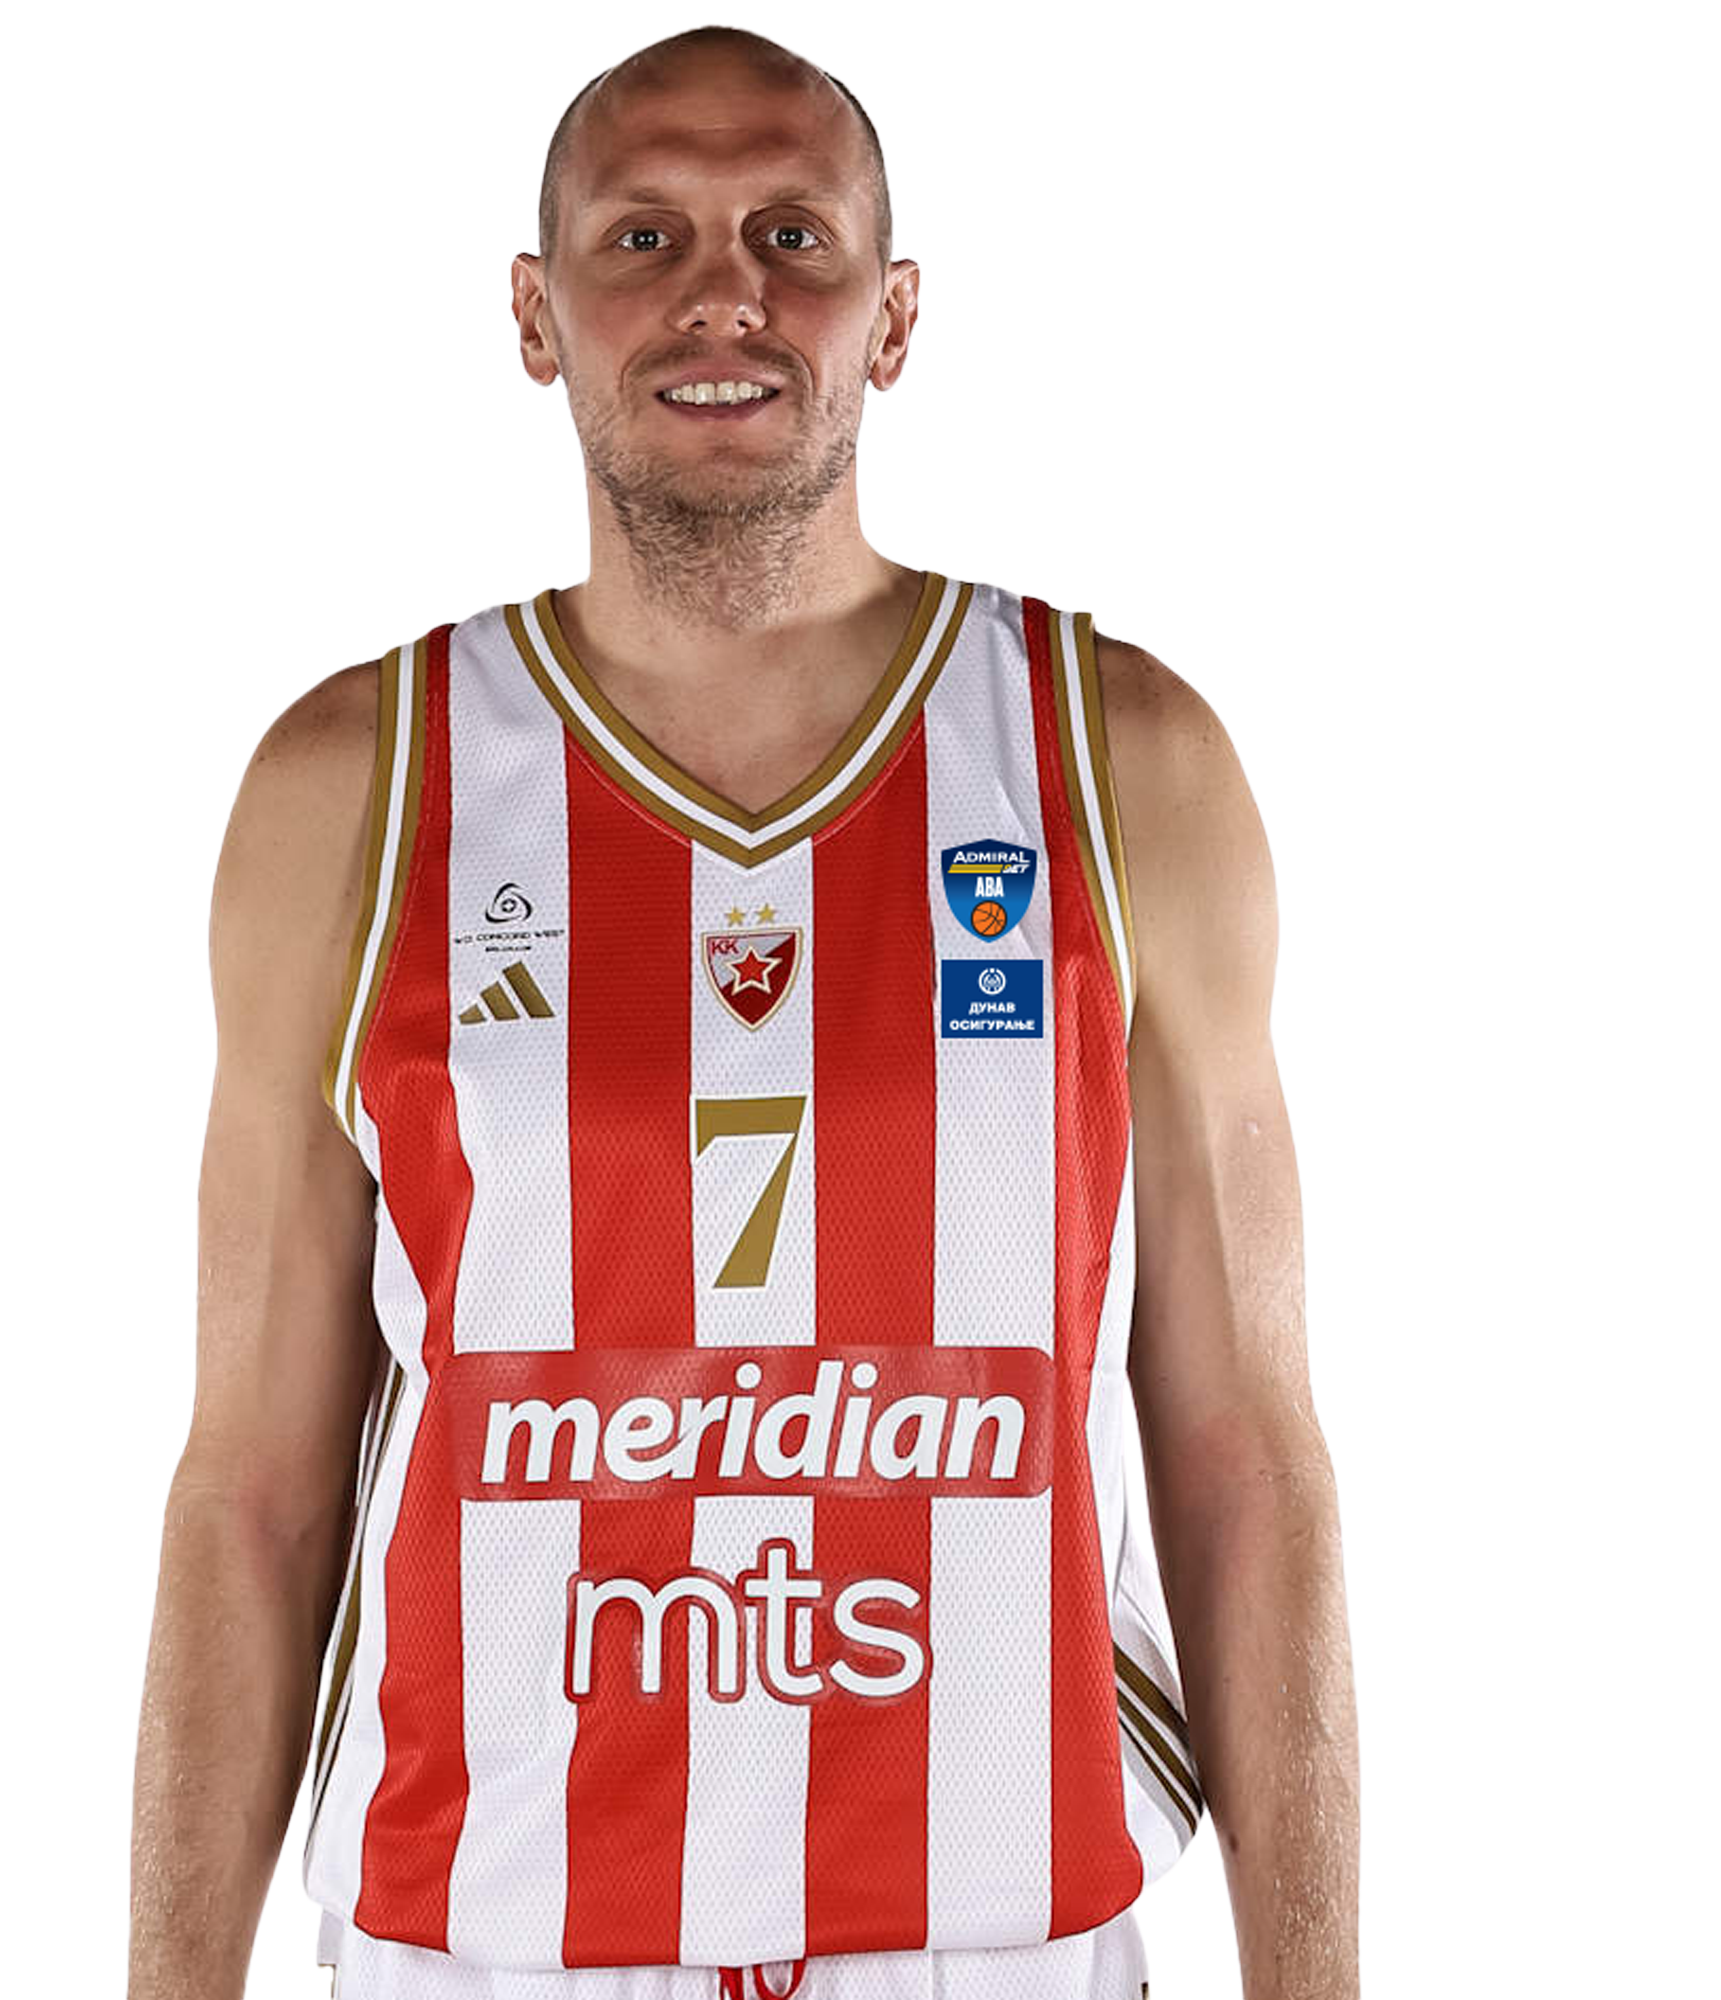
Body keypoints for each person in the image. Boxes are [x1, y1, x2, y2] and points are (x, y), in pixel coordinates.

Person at [128, 26, 1360, 2000]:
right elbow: (252, 1493)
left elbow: (1241, 1458)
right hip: (494, 1941)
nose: (724, 294)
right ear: (534, 313)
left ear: (894, 317)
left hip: (993, 1934)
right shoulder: (353, 786)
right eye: (644, 237)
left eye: (793, 233)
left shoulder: (1117, 754)